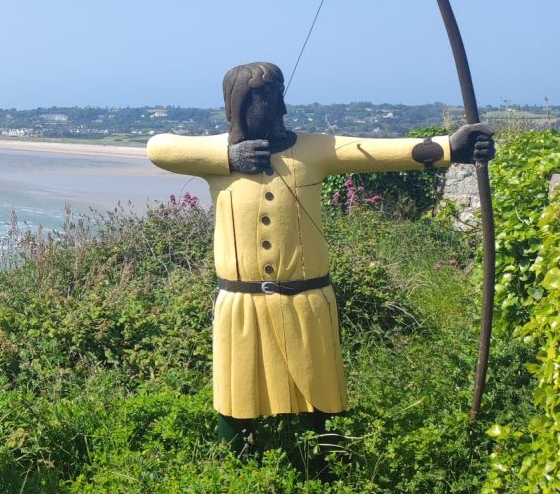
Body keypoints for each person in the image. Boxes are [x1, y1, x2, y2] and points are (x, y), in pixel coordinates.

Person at [146, 62, 495, 467]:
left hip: (307, 297)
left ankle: (331, 462)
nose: (277, 109)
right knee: (237, 387)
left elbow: (372, 152)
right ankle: (237, 465)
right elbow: (158, 147)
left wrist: (452, 148)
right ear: (238, 106)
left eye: (277, 98)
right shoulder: (217, 158)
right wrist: (229, 156)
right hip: (241, 303)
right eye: (264, 100)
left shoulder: (313, 149)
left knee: (322, 385)